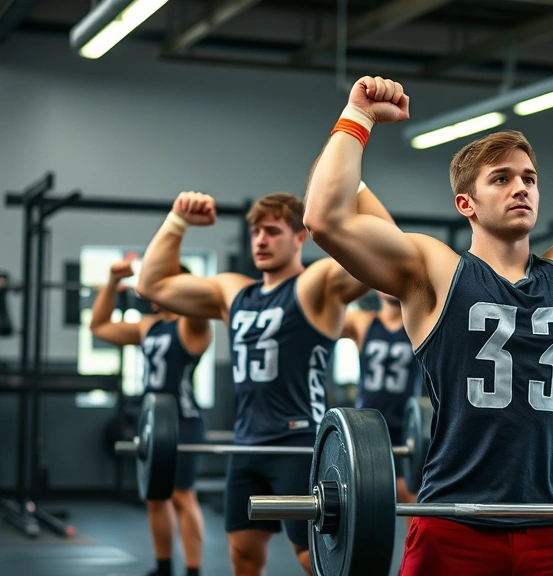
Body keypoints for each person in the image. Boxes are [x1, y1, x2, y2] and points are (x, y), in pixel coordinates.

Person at [302, 71, 553, 575]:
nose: (521, 187)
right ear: (465, 204)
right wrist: (357, 116)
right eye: (502, 178)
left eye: (529, 178)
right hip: (454, 523)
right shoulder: (436, 271)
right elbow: (325, 219)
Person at [136, 188, 392, 576]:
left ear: (298, 238)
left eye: (272, 231)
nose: (260, 239)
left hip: (298, 444)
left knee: (317, 559)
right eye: (256, 231)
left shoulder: (315, 285)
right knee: (243, 555)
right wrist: (177, 220)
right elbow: (151, 285)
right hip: (247, 445)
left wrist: (351, 187)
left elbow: (387, 253)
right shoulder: (232, 293)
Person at [91, 259, 211, 576]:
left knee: (183, 497)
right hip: (152, 422)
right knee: (155, 498)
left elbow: (199, 306)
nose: (153, 287)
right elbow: (99, 326)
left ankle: (194, 570)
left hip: (183, 421)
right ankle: (163, 567)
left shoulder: (191, 327)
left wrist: (181, 286)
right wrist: (112, 281)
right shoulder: (149, 326)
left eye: (162, 282)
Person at [343, 290, 423, 508]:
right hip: (367, 428)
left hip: (406, 429)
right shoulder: (362, 321)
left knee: (410, 497)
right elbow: (324, 313)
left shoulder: (419, 321)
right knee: (363, 501)